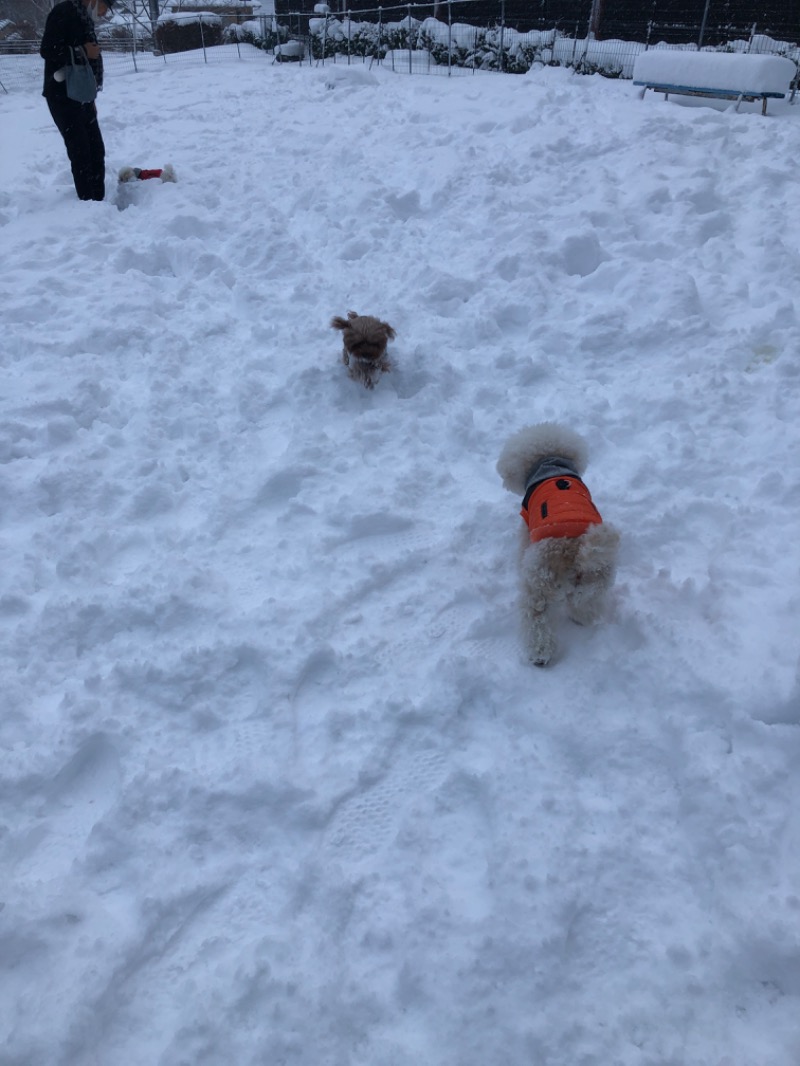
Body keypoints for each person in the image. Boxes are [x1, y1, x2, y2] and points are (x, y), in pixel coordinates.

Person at [39, 0, 114, 202]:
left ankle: (98, 201)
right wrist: (82, 51)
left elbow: (90, 59)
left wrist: (92, 98)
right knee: (81, 152)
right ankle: (88, 204)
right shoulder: (64, 12)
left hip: (83, 96)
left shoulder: (85, 17)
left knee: (96, 150)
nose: (104, 12)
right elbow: (47, 50)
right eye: (105, 6)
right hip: (62, 96)